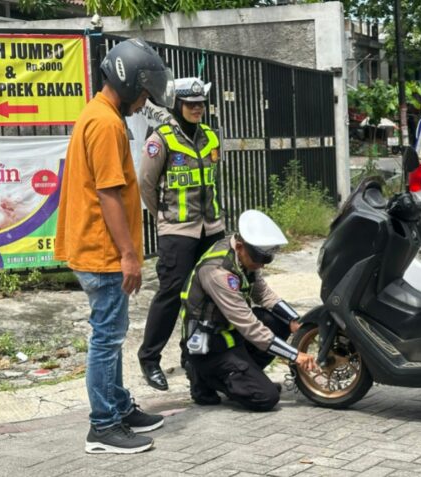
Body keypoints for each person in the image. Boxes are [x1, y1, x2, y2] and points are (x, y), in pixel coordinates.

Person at [54, 38, 175, 455]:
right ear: (127, 84)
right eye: (143, 95)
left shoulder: (97, 113)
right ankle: (103, 426)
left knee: (112, 334)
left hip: (97, 248)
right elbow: (108, 194)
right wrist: (128, 255)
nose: (144, 104)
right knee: (106, 339)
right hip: (103, 252)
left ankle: (119, 407)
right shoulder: (106, 124)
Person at [180, 210, 318, 411]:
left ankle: (244, 376)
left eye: (267, 259)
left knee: (278, 322)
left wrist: (295, 321)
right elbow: (249, 326)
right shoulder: (218, 272)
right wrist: (294, 355)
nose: (262, 265)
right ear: (240, 246)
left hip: (231, 336)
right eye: (259, 259)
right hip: (210, 348)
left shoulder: (243, 256)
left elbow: (263, 294)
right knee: (266, 398)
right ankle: (202, 376)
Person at [137, 77, 225, 391]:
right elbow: (146, 185)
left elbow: (214, 179)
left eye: (201, 104)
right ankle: (149, 358)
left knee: (209, 296)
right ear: (177, 105)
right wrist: (164, 218)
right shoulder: (160, 140)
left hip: (212, 228)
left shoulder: (211, 137)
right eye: (190, 104)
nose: (197, 109)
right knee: (171, 294)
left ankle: (193, 356)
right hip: (177, 231)